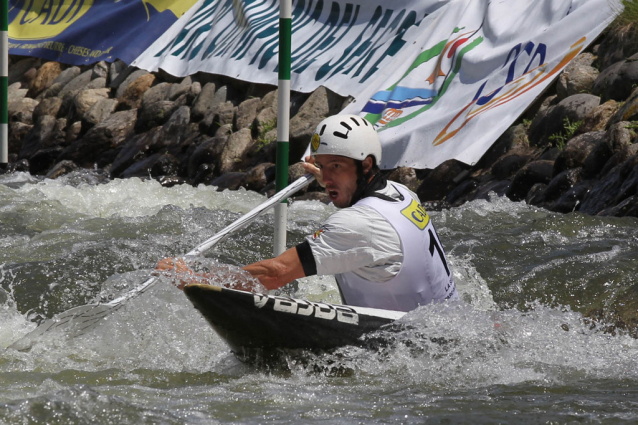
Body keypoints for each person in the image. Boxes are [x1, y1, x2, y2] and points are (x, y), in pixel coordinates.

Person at [156, 114, 458, 312]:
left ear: (365, 165)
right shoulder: (400, 193)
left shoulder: (358, 224)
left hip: (405, 346)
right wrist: (332, 170)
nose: (326, 179)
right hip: (447, 324)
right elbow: (357, 195)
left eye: (336, 167)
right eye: (322, 167)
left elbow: (276, 274)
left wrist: (196, 279)